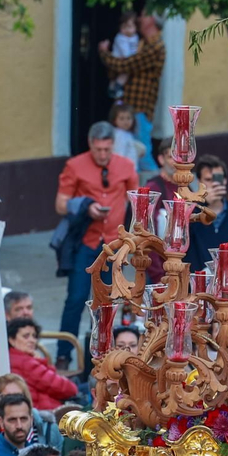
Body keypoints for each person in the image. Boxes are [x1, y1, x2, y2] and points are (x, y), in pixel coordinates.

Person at [53, 121, 139, 365]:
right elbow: (60, 204)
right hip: (86, 242)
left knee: (109, 302)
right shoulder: (75, 165)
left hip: (114, 245)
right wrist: (85, 207)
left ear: (113, 145)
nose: (103, 155)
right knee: (76, 298)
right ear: (91, 145)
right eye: (98, 150)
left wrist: (134, 238)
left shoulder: (125, 165)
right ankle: (63, 354)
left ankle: (105, 355)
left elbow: (136, 201)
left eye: (107, 150)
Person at [97, 13, 166, 144]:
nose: (139, 19)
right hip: (129, 105)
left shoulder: (155, 46)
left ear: (151, 20)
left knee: (141, 150)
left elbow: (125, 65)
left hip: (140, 107)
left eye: (143, 16)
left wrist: (104, 53)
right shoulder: (143, 42)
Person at [7, 320, 77, 412]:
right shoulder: (26, 363)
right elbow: (69, 389)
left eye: (34, 336)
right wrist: (39, 362)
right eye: (26, 336)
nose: (32, 340)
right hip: (46, 413)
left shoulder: (12, 358)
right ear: (12, 340)